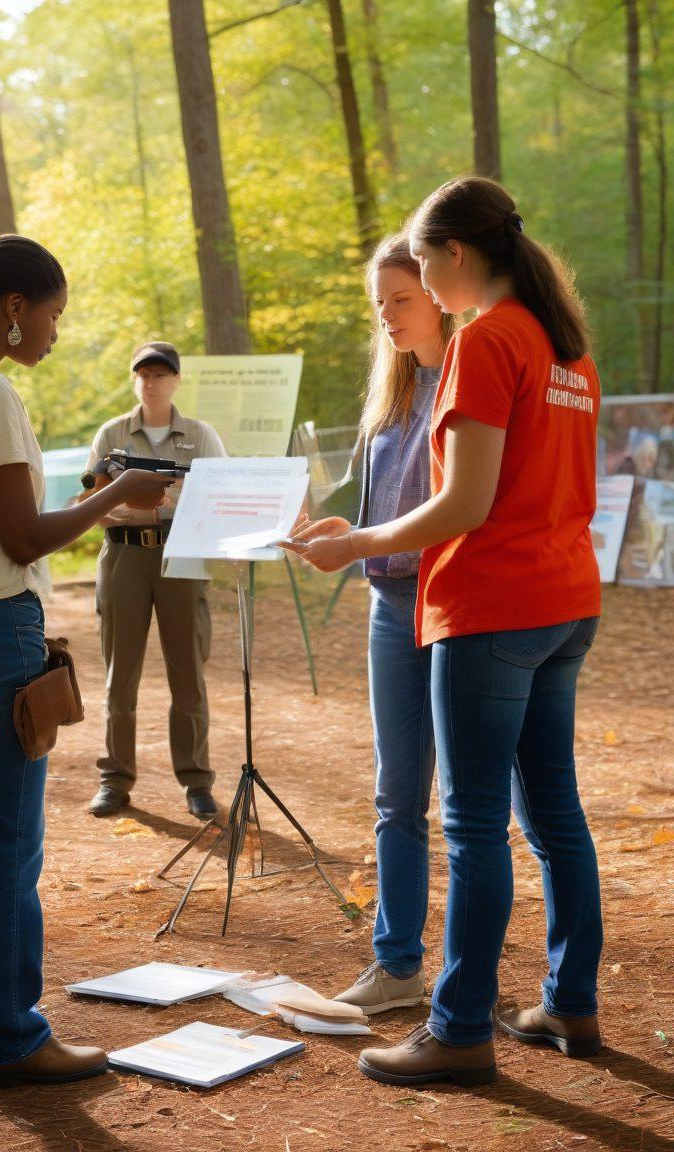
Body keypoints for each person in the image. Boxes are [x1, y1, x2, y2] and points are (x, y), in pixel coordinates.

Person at [285, 177, 602, 1086]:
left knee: (469, 826)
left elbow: (463, 502)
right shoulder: (564, 345)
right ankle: (570, 1002)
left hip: (492, 609)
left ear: (456, 256)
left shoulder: (488, 341)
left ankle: (459, 1028)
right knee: (552, 816)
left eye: (420, 263)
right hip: (563, 602)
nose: (418, 279)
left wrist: (359, 544)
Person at [0, 234, 170, 1090]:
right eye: (51, 315)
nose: (54, 331)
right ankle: (9, 1037)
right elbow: (22, 537)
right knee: (7, 843)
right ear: (13, 309)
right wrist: (116, 494)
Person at [308, 234, 453, 1016]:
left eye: (401, 298)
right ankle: (396, 967)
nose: (389, 316)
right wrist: (341, 529)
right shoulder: (391, 396)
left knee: (469, 804)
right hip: (388, 609)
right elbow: (387, 508)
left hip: (458, 607)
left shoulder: (471, 378)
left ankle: (468, 979)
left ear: (437, 290)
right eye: (379, 305)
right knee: (397, 797)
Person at [82, 341, 227, 820]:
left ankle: (196, 780)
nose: (152, 381)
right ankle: (115, 779)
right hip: (124, 556)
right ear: (134, 380)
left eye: (161, 373)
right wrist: (150, 504)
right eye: (143, 373)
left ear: (176, 380)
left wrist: (155, 505)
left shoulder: (200, 436)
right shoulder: (112, 434)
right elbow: (93, 505)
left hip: (181, 558)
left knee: (187, 673)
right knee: (119, 676)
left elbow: (217, 499)